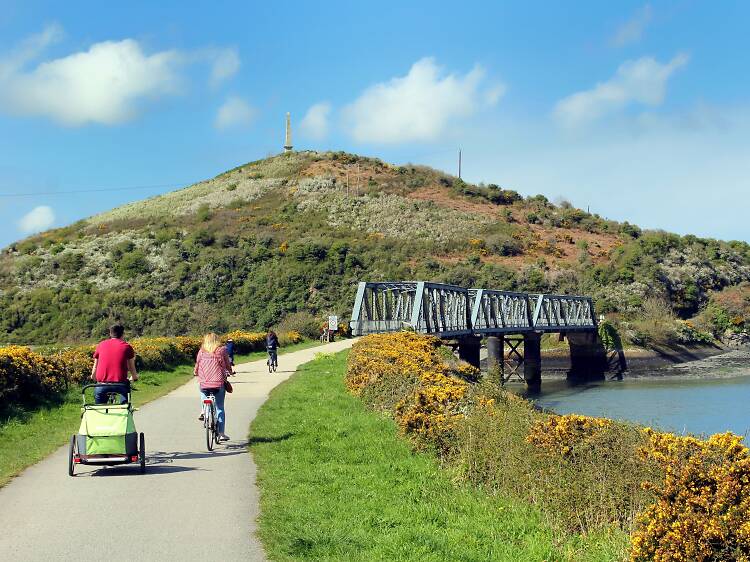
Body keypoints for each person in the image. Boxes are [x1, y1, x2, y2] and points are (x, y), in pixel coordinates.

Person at [194, 333, 231, 441]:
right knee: (220, 408)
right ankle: (221, 433)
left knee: (202, 389)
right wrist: (230, 371)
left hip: (204, 383)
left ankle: (204, 410)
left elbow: (197, 364)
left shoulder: (201, 351)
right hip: (218, 384)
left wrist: (195, 372)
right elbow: (227, 364)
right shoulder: (222, 350)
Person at [91, 324, 138, 404]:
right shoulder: (127, 346)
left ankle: (100, 412)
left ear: (110, 334)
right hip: (121, 384)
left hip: (102, 384)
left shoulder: (101, 345)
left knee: (99, 408)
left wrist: (93, 376)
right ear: (122, 334)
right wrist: (134, 377)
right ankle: (124, 408)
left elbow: (95, 366)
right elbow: (131, 367)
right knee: (125, 407)